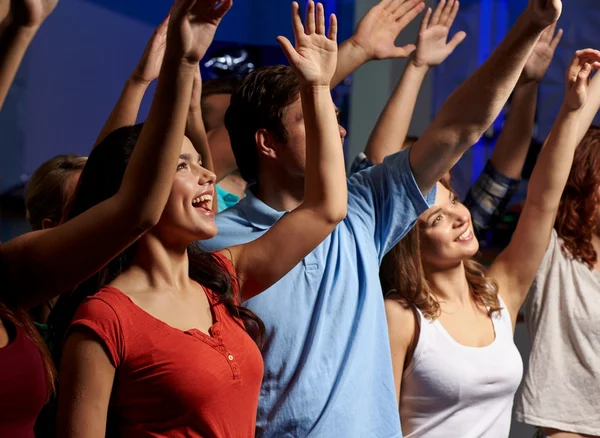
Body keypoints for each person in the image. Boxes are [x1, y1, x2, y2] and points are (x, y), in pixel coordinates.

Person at [200, 0, 563, 435]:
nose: (338, 131)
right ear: (268, 143)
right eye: (312, 118)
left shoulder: (363, 207)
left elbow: (459, 129)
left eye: (334, 116)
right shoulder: (217, 242)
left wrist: (527, 28)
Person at [55, 1, 347, 436]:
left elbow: (326, 209)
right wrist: (182, 60)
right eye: (181, 166)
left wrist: (319, 86)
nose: (208, 173)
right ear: (135, 190)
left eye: (199, 162)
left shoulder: (221, 280)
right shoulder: (105, 318)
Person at [0, 0, 215, 434]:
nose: (95, 215)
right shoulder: (93, 306)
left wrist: (163, 71)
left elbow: (127, 200)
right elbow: (126, 200)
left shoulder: (10, 283)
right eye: (84, 210)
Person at [382, 48, 600, 437]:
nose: (460, 218)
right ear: (409, 242)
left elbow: (542, 201)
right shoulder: (400, 316)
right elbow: (377, 423)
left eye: (454, 203)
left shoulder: (498, 296)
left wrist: (570, 110)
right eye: (436, 219)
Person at [354, 2, 562, 238]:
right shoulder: (382, 236)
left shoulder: (463, 220)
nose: (439, 170)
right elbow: (376, 168)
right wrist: (417, 66)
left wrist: (528, 84)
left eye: (452, 200)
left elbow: (503, 175)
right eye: (412, 167)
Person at [515, 74, 600, 437]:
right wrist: (582, 100)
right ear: (585, 182)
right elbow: (548, 174)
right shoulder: (554, 255)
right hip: (567, 431)